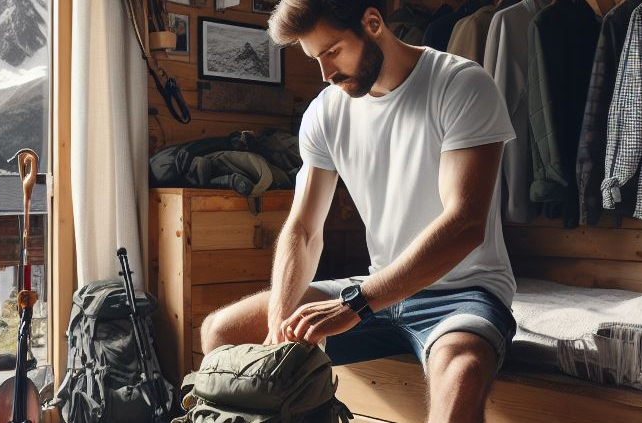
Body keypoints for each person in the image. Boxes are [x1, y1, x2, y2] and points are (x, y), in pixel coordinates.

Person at [199, 1, 517, 422]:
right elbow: (303, 230)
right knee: (221, 332)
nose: (326, 74)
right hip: (377, 289)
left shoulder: (460, 85)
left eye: (332, 52)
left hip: (462, 292)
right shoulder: (325, 111)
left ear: (372, 23)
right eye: (316, 59)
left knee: (461, 372)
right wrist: (279, 321)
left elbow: (464, 224)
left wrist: (356, 305)